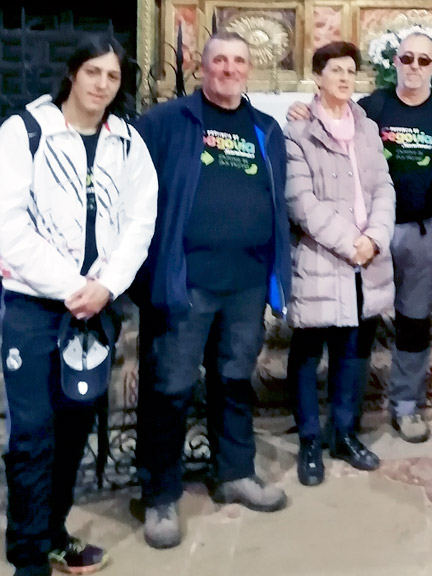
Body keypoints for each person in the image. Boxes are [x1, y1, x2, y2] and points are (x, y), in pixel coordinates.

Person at [0, 35, 158, 576]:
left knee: (73, 427)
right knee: (32, 433)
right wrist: (74, 285)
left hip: (97, 308)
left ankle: (52, 533)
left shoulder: (128, 143)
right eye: (92, 72)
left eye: (112, 76)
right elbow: (9, 226)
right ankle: (27, 557)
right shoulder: (24, 132)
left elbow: (140, 221)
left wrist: (107, 286)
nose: (102, 85)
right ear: (72, 73)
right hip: (36, 305)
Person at [132, 31, 292, 550]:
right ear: (203, 67)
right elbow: (131, 193)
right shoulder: (165, 121)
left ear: (249, 69)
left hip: (246, 282)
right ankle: (160, 495)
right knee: (170, 388)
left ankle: (235, 473)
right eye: (219, 60)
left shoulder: (266, 127)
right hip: (186, 281)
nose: (228, 69)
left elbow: (276, 199)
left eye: (238, 61)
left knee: (234, 381)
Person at [283, 41, 396, 485]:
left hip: (366, 259)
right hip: (321, 258)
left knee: (354, 353)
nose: (345, 78)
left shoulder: (367, 127)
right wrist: (352, 243)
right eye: (335, 70)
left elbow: (384, 187)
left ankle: (344, 434)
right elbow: (300, 201)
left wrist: (375, 238)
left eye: (351, 70)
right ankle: (310, 440)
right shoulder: (298, 130)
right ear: (318, 76)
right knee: (308, 354)